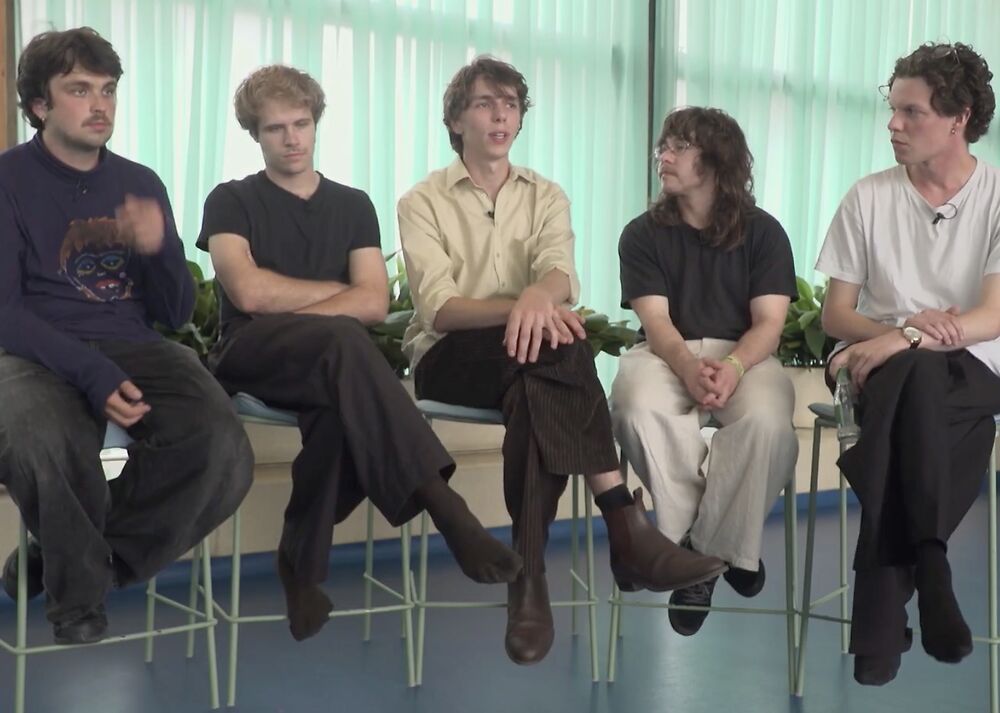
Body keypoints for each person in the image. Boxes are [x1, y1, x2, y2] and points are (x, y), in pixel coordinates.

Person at [397, 55, 727, 665]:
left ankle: (528, 581)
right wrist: (525, 305)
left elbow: (560, 275)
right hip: (451, 358)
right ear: (456, 119)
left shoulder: (545, 194)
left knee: (535, 388)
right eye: (484, 104)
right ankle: (625, 525)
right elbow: (440, 309)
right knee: (561, 342)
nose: (500, 116)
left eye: (510, 105)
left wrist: (538, 297)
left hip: (527, 362)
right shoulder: (422, 201)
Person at [198, 65, 522, 642]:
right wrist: (335, 296)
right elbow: (247, 295)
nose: (292, 138)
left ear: (315, 123)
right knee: (344, 340)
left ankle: (300, 567)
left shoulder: (352, 205)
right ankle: (445, 506)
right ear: (255, 134)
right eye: (275, 128)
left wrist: (293, 300)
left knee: (338, 416)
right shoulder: (230, 200)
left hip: (329, 365)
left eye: (301, 124)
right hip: (252, 351)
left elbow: (374, 302)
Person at [0, 27, 253, 644]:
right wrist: (93, 374)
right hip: (32, 350)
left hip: (133, 344)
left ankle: (70, 558)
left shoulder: (140, 182)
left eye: (108, 89)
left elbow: (174, 310)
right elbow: (5, 311)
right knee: (44, 438)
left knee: (221, 449)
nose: (100, 105)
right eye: (79, 90)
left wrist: (159, 247)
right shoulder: (7, 179)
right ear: (39, 105)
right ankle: (77, 603)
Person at [816, 41, 1000, 685]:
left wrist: (912, 339)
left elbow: (994, 315)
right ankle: (930, 563)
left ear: (958, 118)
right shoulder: (867, 196)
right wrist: (900, 336)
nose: (892, 124)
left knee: (917, 380)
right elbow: (835, 315)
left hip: (971, 364)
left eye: (911, 112)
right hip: (876, 359)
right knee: (920, 383)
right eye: (891, 110)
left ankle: (890, 603)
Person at [609, 106, 798, 636]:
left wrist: (734, 366)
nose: (663, 157)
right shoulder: (641, 234)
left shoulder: (765, 233)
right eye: (663, 147)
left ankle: (696, 552)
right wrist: (690, 367)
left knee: (768, 422)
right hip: (666, 353)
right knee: (635, 405)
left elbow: (769, 324)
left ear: (715, 161)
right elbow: (657, 324)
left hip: (746, 353)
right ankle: (726, 551)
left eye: (678, 147)